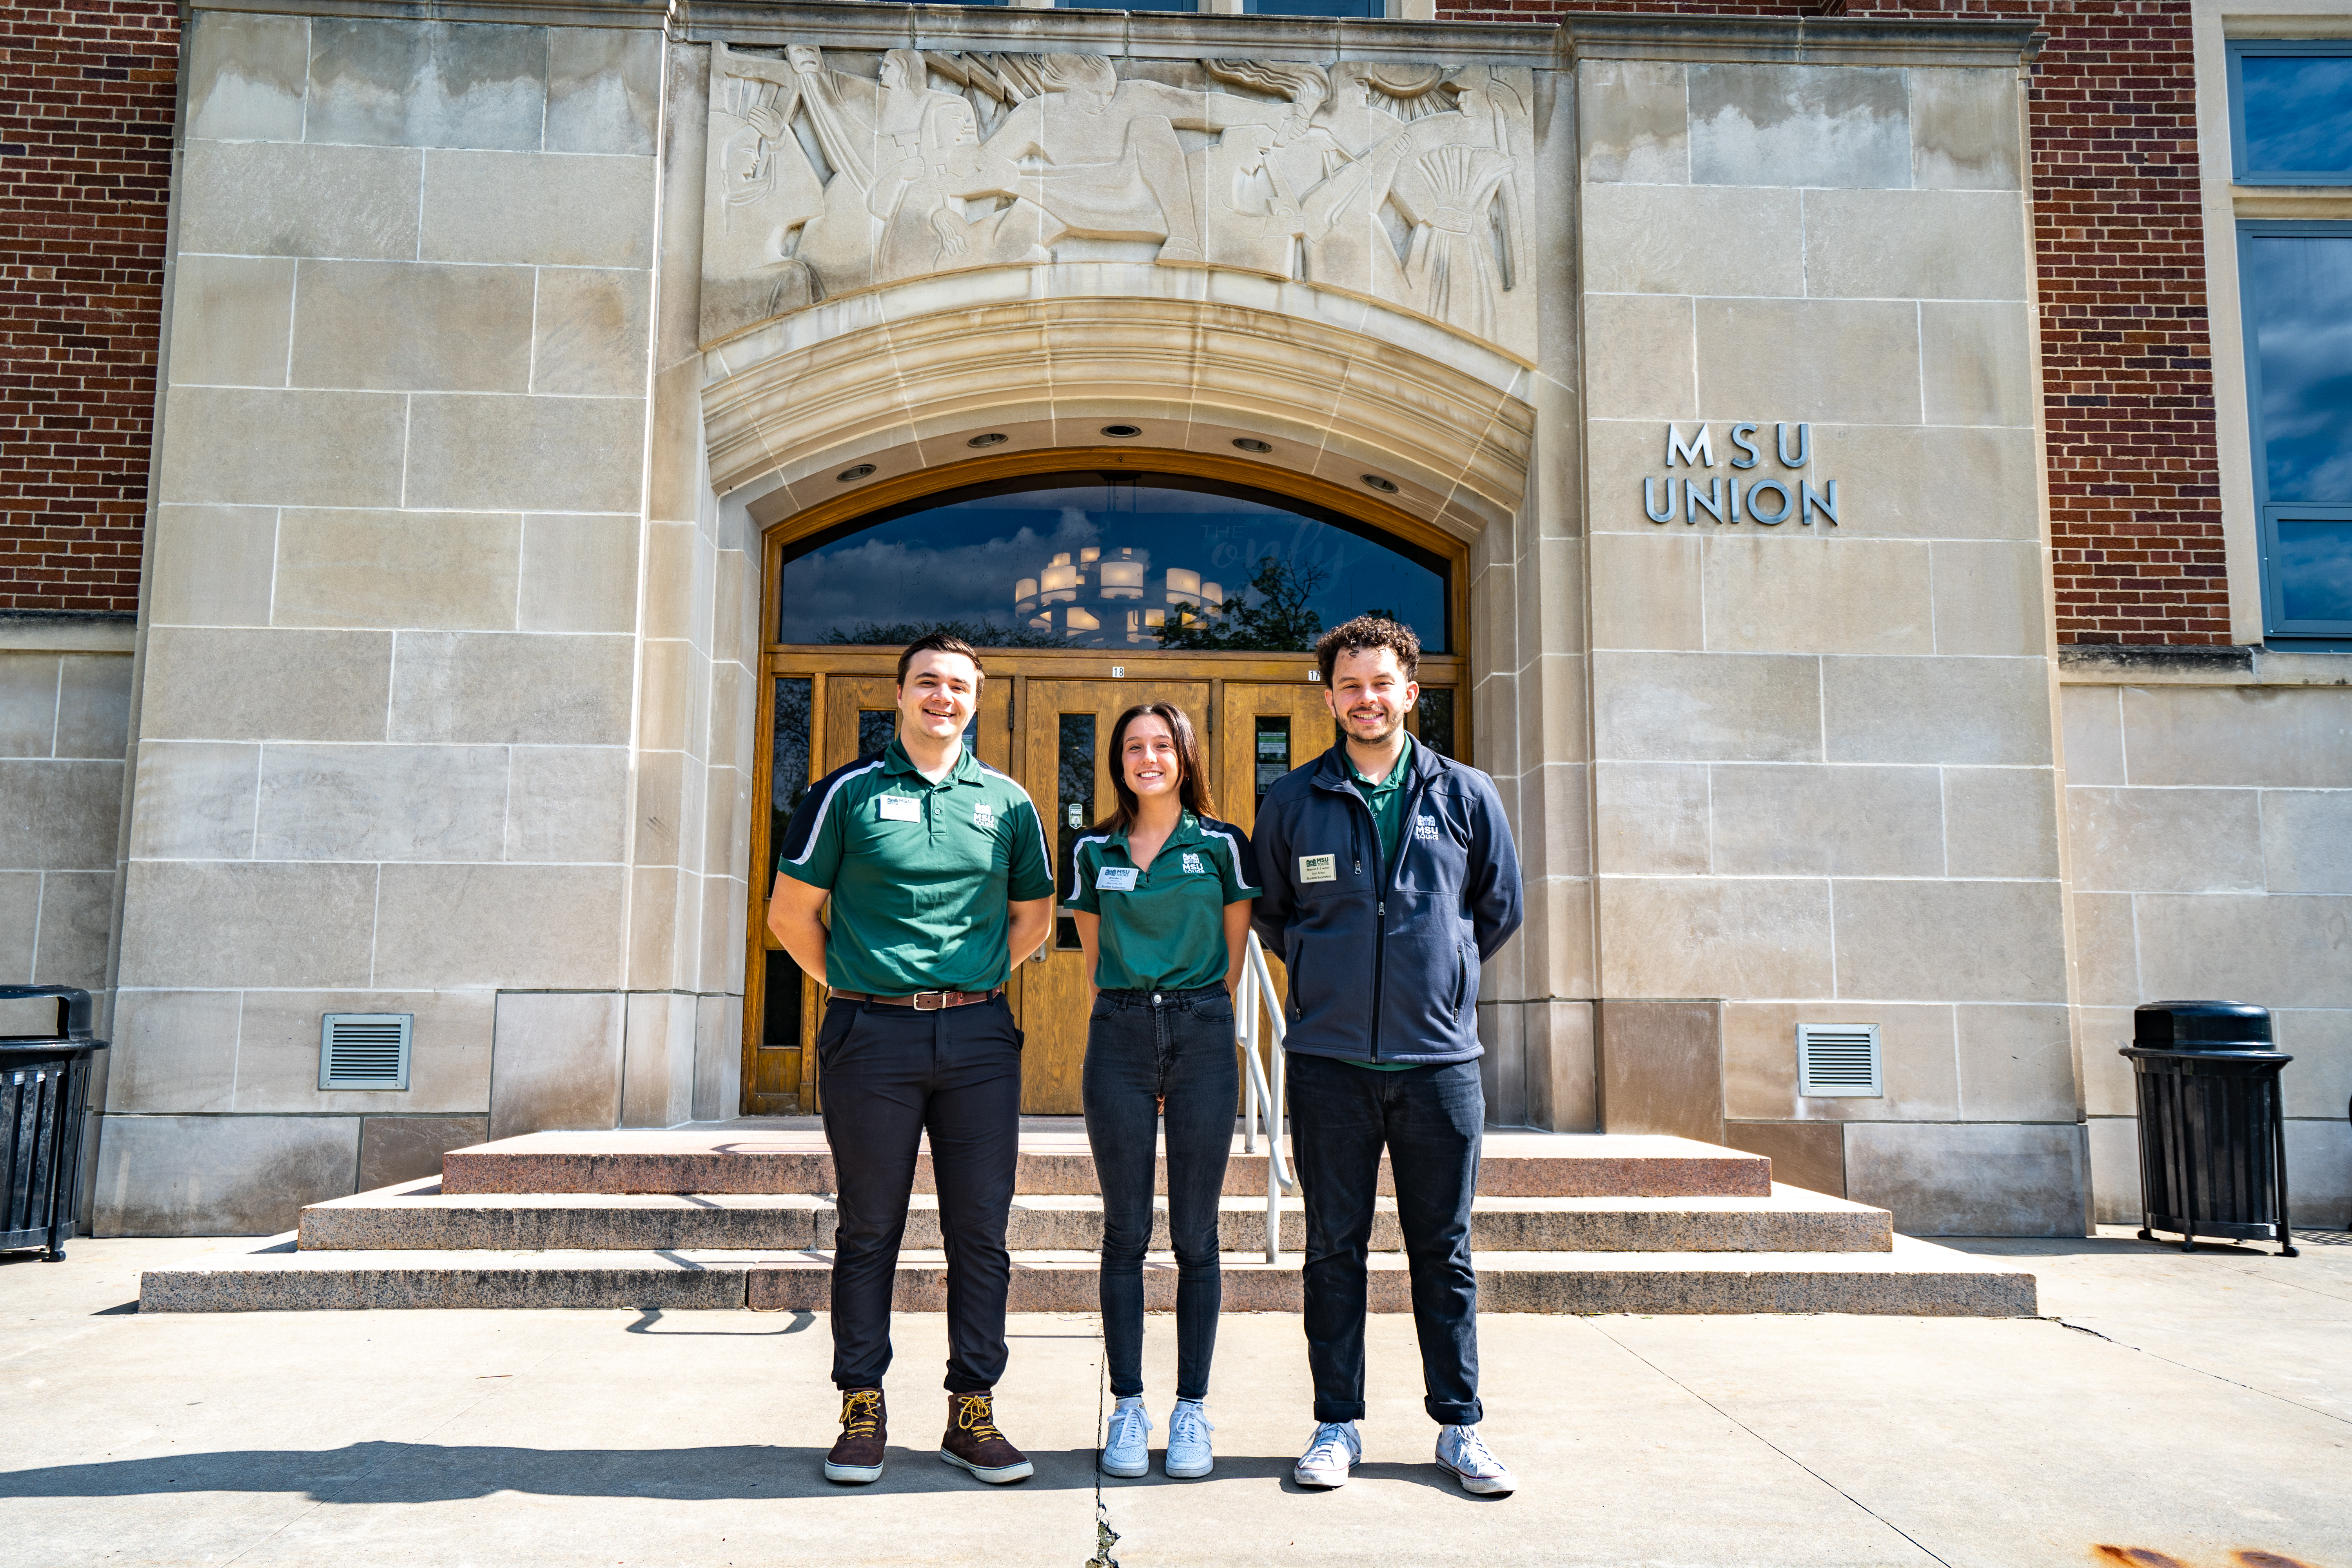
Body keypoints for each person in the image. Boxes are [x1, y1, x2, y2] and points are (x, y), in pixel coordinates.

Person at [766, 633, 1056, 1487]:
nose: (943, 696)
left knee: (981, 1230)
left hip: (978, 1039)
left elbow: (1032, 917)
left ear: (977, 699)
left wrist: (968, 984)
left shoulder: (1006, 801)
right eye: (927, 682)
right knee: (869, 1227)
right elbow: (792, 915)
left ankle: (974, 1409)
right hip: (871, 1039)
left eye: (959, 685)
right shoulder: (845, 794)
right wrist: (862, 984)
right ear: (898, 694)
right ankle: (862, 1403)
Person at [1249, 615, 1525, 1497]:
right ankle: (1337, 1422)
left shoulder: (1467, 793)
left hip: (1439, 1063)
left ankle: (1460, 1424)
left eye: (1383, 683)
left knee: (1441, 1246)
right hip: (1329, 1061)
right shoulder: (1293, 800)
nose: (1366, 699)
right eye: (1350, 685)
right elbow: (1275, 911)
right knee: (1334, 1246)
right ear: (1328, 696)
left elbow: (1497, 908)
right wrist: (1337, 979)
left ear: (1412, 690)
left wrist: (1435, 975)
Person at [1065, 703, 1261, 1481]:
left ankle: (1190, 1408)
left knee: (1196, 1235)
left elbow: (1235, 952)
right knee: (1125, 1230)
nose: (1149, 757)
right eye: (1134, 747)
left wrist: (1193, 1017)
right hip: (1117, 1035)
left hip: (1203, 1033)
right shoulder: (1091, 848)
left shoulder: (1220, 845)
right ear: (1119, 761)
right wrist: (1132, 1018)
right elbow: (1091, 956)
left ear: (1186, 755)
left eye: (1162, 744)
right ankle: (1130, 1405)